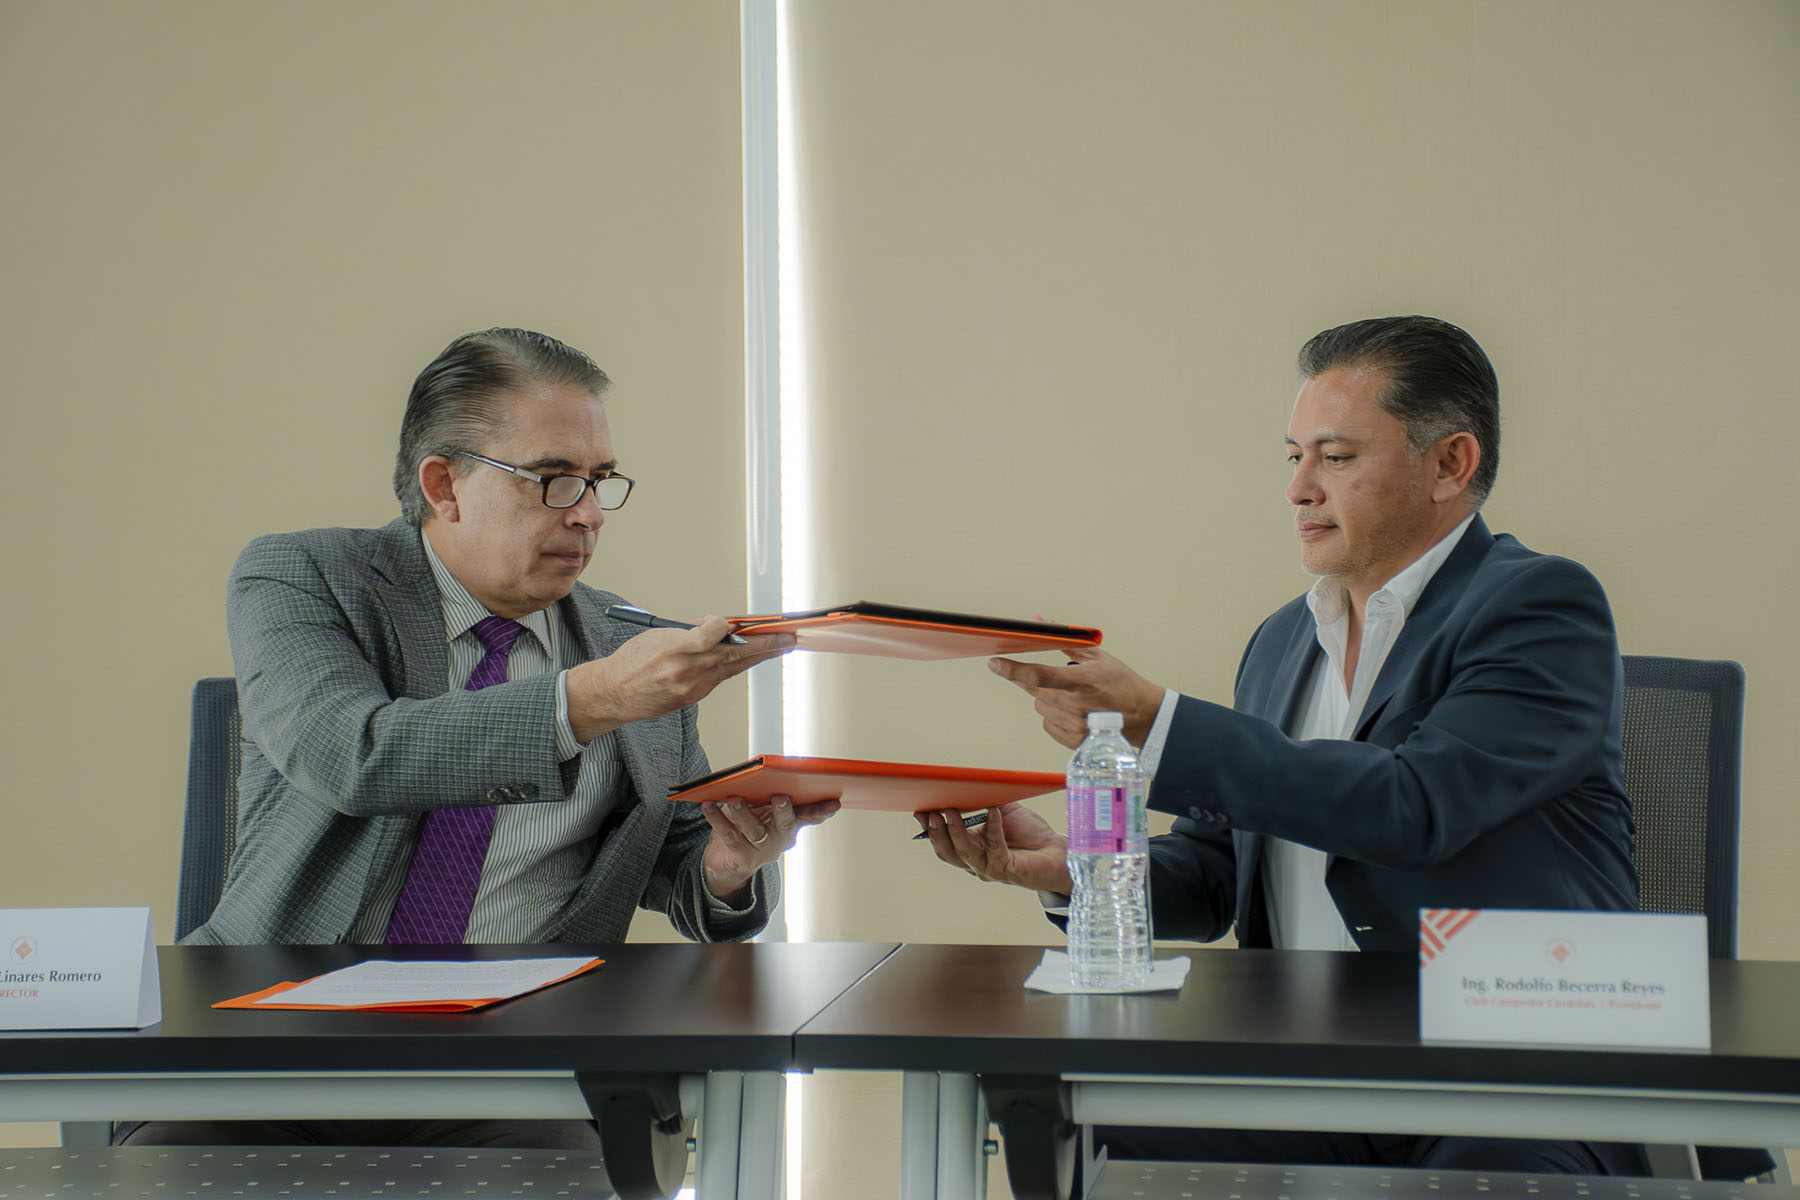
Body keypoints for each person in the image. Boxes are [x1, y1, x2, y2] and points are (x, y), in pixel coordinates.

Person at [920, 315, 1648, 1176]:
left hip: (1501, 1071)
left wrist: (1159, 721)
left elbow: (1413, 806)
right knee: (1083, 1138)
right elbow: (1217, 873)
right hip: (1306, 1069)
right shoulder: (1281, 641)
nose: (1299, 488)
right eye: (1295, 456)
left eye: (1335, 457)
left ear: (1451, 464)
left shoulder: (1539, 607)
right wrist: (1076, 867)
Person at [129, 326, 836, 1151]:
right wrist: (591, 700)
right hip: (272, 1041)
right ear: (445, 485)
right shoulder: (305, 578)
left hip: (519, 1063)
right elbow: (351, 754)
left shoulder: (629, 646)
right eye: (554, 480)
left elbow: (677, 861)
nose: (587, 513)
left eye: (599, 482)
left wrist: (725, 866)